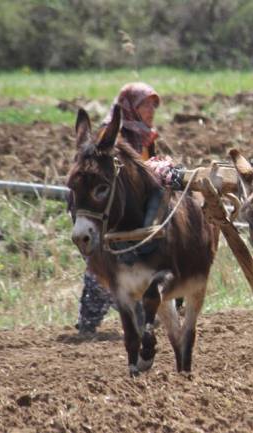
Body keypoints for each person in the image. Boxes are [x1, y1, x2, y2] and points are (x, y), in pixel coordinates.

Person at [76, 82, 181, 333]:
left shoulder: (145, 134)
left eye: (153, 105)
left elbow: (147, 167)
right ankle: (89, 323)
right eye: (145, 104)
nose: (151, 110)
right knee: (105, 262)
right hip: (114, 207)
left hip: (138, 202)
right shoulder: (111, 135)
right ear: (131, 106)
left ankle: (158, 302)